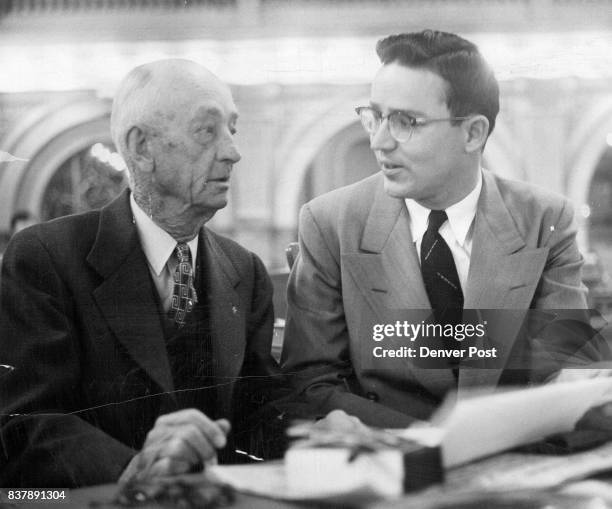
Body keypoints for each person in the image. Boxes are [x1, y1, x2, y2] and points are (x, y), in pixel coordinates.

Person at [281, 30, 608, 430]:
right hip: (388, 464)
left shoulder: (544, 218)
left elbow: (568, 366)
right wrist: (433, 441)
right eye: (374, 117)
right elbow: (310, 386)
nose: (379, 143)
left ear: (473, 133)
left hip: (513, 460)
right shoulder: (330, 223)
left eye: (405, 122)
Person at [0, 59, 285, 487]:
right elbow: (23, 423)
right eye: (208, 130)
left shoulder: (245, 271)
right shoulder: (45, 258)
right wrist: (133, 469)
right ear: (142, 147)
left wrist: (322, 434)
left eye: (232, 129)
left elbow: (261, 414)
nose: (232, 151)